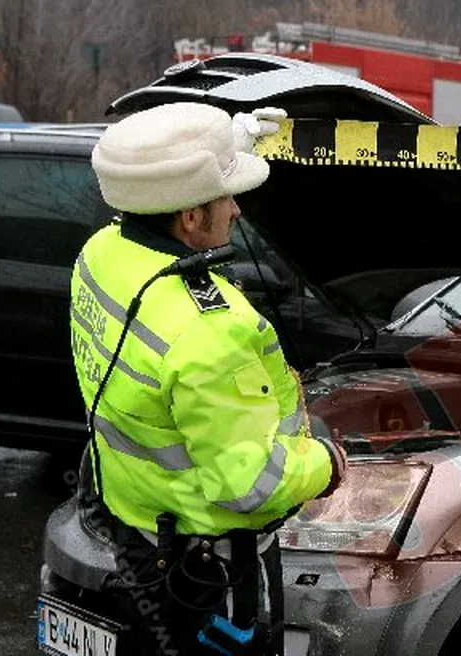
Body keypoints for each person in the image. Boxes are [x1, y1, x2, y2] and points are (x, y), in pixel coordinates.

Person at [69, 101, 348, 655]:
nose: (239, 212)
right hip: (211, 576)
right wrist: (328, 462)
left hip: (139, 527)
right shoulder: (210, 333)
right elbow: (252, 488)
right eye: (227, 197)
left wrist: (223, 148)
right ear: (192, 219)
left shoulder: (101, 253)